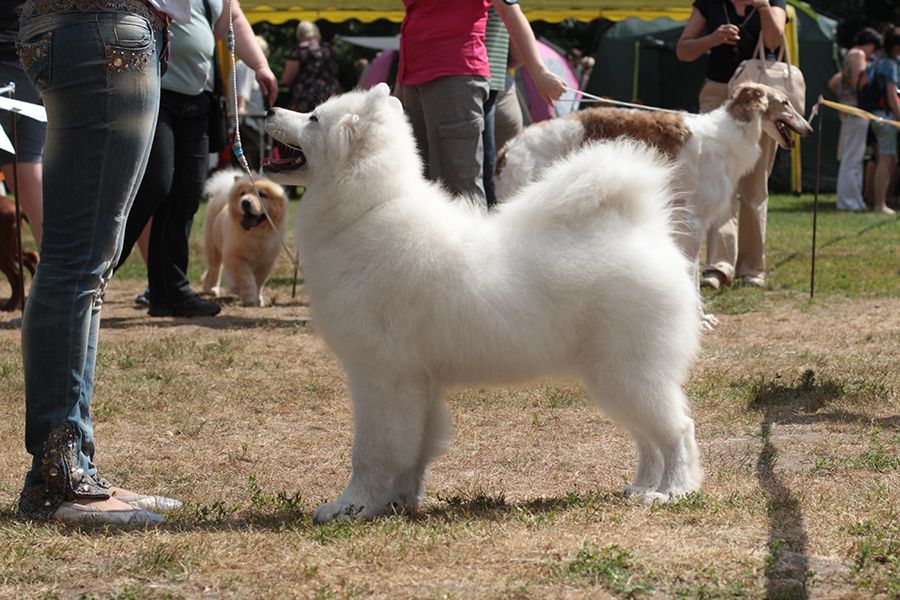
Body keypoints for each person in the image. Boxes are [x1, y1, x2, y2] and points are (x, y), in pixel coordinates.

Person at [17, 0, 191, 525]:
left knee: (84, 263)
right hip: (106, 28)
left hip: (86, 28)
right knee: (77, 262)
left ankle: (73, 467)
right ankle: (60, 480)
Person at [117, 0, 278, 317]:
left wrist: (260, 65)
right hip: (150, 89)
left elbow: (233, 19)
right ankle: (93, 276)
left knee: (186, 194)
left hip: (197, 98)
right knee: (153, 185)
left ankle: (170, 292)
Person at [397, 0, 566, 206]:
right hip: (415, 79)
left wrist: (539, 72)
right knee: (423, 184)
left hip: (455, 76)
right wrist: (400, 86)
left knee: (461, 190)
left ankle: (473, 228)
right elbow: (413, 21)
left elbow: (510, 11)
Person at [676, 0, 787, 290]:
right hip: (717, 95)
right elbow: (683, 51)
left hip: (760, 99)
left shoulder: (773, 2)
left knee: (755, 186)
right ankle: (718, 267)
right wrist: (712, 39)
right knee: (716, 182)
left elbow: (774, 41)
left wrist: (763, 7)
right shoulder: (709, 4)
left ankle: (751, 269)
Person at [0, 4, 44, 248]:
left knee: (26, 169)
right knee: (27, 168)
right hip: (28, 59)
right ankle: (57, 266)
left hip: (19, 57)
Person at [828, 27, 882, 212]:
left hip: (849, 111)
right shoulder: (858, 55)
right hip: (856, 111)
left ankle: (853, 200)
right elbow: (858, 84)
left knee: (852, 157)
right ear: (870, 44)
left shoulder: (850, 54)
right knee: (853, 158)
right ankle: (849, 201)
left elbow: (834, 83)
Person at [866, 24, 900, 215]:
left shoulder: (881, 61)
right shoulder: (890, 65)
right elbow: (891, 95)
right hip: (885, 116)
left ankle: (877, 199)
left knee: (885, 158)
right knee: (886, 159)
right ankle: (880, 204)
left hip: (878, 115)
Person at [280, 21, 341, 114]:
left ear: (299, 34)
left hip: (306, 99)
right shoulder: (328, 49)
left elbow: (287, 79)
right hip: (330, 97)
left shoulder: (299, 51)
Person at [233, 35, 270, 171]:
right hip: (248, 124)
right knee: (252, 167)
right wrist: (241, 108)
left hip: (248, 124)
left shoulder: (241, 65)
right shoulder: (247, 66)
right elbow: (242, 92)